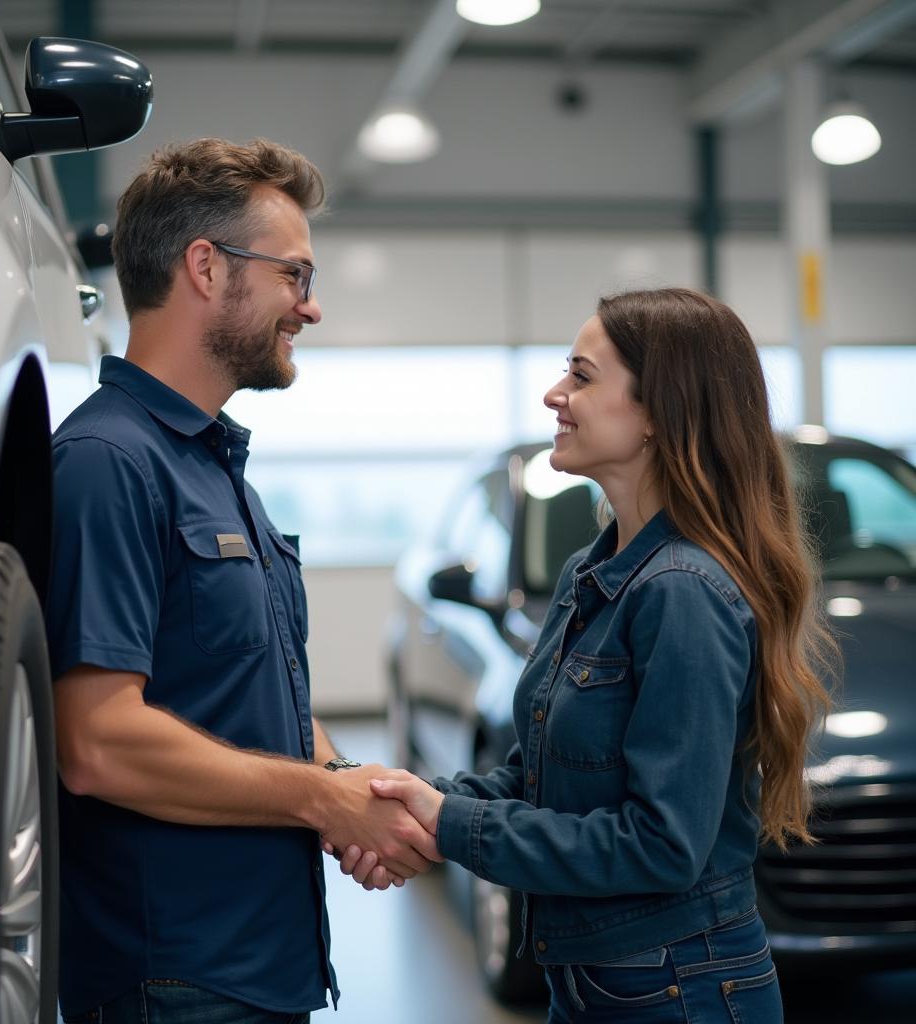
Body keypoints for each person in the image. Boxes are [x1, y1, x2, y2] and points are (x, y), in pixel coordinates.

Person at [341, 287, 836, 1022]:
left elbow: (661, 845)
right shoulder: (591, 573)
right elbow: (545, 775)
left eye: (580, 375)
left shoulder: (683, 592)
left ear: (657, 414)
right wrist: (423, 804)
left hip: (679, 987)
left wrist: (449, 826)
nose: (554, 394)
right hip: (599, 983)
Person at [45, 138, 438, 1024]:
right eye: (295, 276)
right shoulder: (108, 463)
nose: (311, 307)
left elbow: (244, 691)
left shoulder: (214, 468)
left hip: (257, 965)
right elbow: (97, 740)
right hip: (174, 979)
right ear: (207, 267)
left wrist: (352, 784)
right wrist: (322, 799)